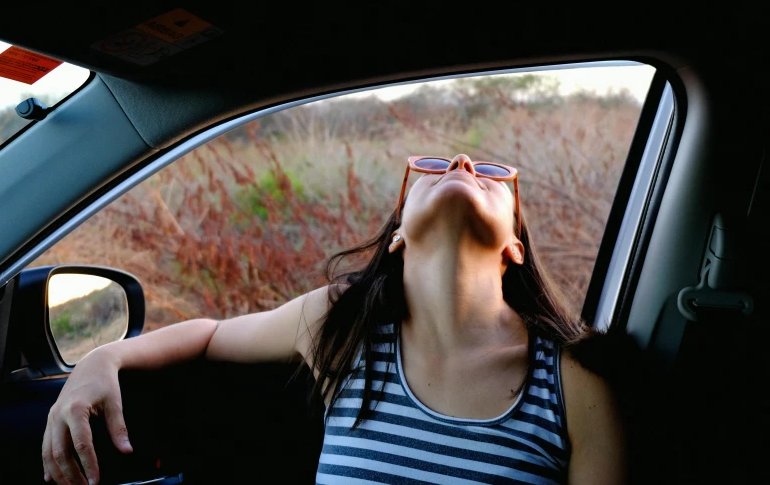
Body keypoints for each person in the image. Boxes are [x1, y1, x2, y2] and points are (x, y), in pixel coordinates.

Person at [42, 154, 626, 485]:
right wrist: (103, 358)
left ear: (515, 248)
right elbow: (212, 334)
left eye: (491, 172)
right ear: (399, 236)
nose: (463, 162)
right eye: (432, 167)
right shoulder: (342, 329)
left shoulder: (574, 382)